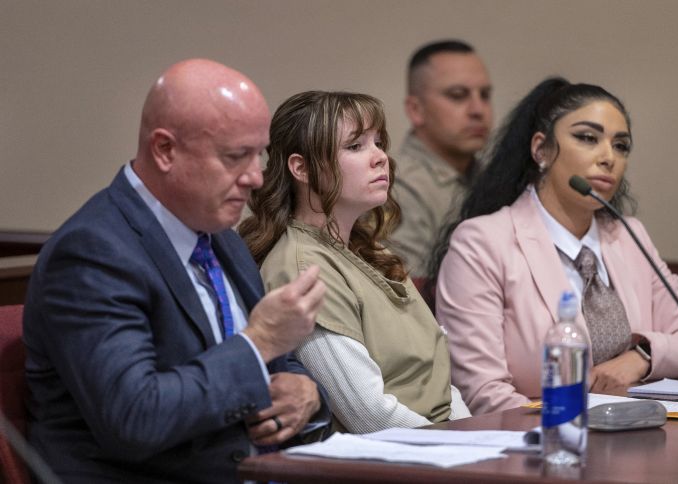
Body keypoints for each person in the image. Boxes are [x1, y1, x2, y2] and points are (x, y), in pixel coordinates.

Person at [23, 59, 330, 483]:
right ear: (165, 150)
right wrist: (258, 342)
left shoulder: (218, 235)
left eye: (258, 154)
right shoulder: (92, 253)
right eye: (235, 157)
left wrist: (306, 393)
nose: (257, 177)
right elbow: (135, 417)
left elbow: (278, 363)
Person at [432, 77, 678, 415]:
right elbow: (482, 391)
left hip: (634, 437)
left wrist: (641, 358)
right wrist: (573, 433)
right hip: (537, 447)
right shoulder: (483, 242)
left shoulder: (629, 236)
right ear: (541, 149)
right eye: (587, 138)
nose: (608, 157)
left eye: (621, 146)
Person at [239, 90, 471, 433]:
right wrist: (465, 448)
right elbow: (369, 416)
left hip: (442, 444)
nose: (380, 157)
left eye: (379, 142)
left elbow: (439, 385)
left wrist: (475, 435)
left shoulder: (375, 254)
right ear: (301, 168)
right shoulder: (302, 267)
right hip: (399, 460)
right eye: (355, 146)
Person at [390, 40, 493, 278]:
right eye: (458, 95)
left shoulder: (490, 176)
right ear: (416, 110)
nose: (478, 109)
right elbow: (405, 294)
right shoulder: (396, 187)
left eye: (485, 95)